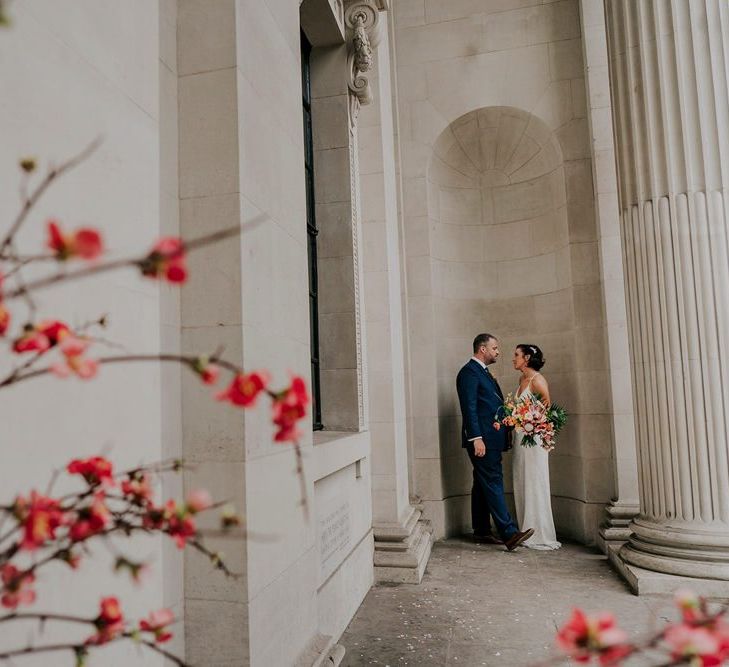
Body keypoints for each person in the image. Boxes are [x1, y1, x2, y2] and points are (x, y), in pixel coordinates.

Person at [456, 333, 534, 551]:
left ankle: (481, 530)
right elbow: (469, 408)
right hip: (483, 440)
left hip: (491, 438)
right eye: (495, 348)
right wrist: (476, 438)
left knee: (482, 484)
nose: (498, 352)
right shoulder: (469, 373)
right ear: (483, 349)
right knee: (493, 480)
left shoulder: (483, 373)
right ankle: (509, 533)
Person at [511, 344, 561, 550]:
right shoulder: (521, 379)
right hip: (520, 439)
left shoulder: (538, 380)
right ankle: (526, 528)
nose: (513, 359)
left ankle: (540, 533)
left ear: (527, 357)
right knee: (521, 479)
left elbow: (548, 413)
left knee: (534, 480)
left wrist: (532, 425)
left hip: (534, 440)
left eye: (517, 355)